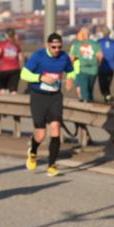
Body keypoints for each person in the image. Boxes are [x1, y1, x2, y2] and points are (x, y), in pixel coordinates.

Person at [21, 33, 74, 176]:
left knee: (56, 127)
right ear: (47, 45)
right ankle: (33, 152)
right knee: (41, 134)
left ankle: (52, 165)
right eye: (53, 47)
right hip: (38, 97)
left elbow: (71, 70)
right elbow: (24, 74)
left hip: (55, 97)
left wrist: (70, 79)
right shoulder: (38, 56)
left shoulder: (64, 57)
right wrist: (40, 77)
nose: (57, 49)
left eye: (59, 47)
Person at [70, 27, 102, 102]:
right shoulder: (95, 44)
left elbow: (72, 58)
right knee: (90, 88)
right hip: (94, 69)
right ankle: (90, 102)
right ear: (89, 34)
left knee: (84, 90)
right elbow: (100, 56)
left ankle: (87, 105)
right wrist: (98, 64)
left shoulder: (77, 45)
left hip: (83, 69)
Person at [96, 27, 114, 103]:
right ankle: (107, 96)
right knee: (108, 83)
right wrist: (113, 58)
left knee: (102, 83)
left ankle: (107, 96)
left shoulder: (98, 42)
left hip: (101, 66)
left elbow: (94, 53)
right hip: (111, 67)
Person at [0, 28, 23, 94]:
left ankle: (2, 103)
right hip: (15, 69)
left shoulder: (1, 44)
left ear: (6, 35)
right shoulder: (16, 45)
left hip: (4, 69)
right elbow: (21, 58)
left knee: (3, 88)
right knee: (13, 90)